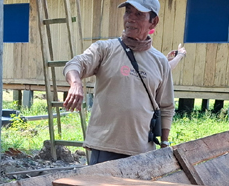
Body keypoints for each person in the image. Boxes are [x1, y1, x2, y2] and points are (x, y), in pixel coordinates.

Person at [62, 0, 175, 164]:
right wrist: (76, 83)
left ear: (153, 21)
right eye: (128, 12)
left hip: (142, 151)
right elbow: (74, 64)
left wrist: (164, 143)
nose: (130, 18)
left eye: (138, 14)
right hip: (105, 148)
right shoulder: (105, 49)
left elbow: (166, 107)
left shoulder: (160, 61)